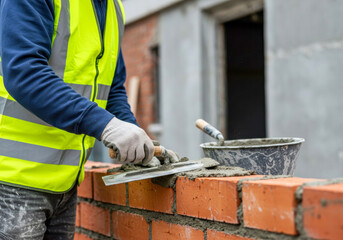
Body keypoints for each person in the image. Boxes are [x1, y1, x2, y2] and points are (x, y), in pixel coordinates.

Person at [0, 0, 155, 239]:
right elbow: (24, 72)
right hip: (11, 179)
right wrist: (107, 126)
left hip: (65, 183)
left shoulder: (113, 8)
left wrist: (133, 135)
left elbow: (111, 88)